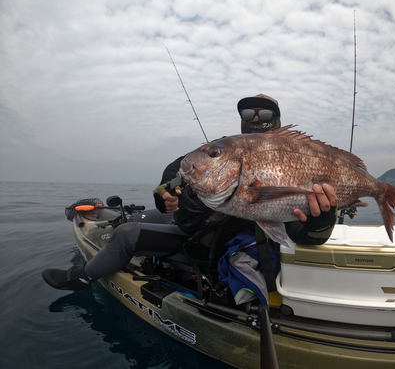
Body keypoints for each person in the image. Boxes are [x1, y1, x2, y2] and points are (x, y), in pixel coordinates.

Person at [42, 94, 338, 291]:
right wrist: (165, 195)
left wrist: (322, 220)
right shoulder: (224, 149)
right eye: (249, 111)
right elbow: (178, 168)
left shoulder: (294, 162)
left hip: (210, 241)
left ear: (277, 118)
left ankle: (82, 278)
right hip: (194, 219)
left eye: (265, 112)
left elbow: (303, 234)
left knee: (126, 234)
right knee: (140, 214)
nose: (256, 117)